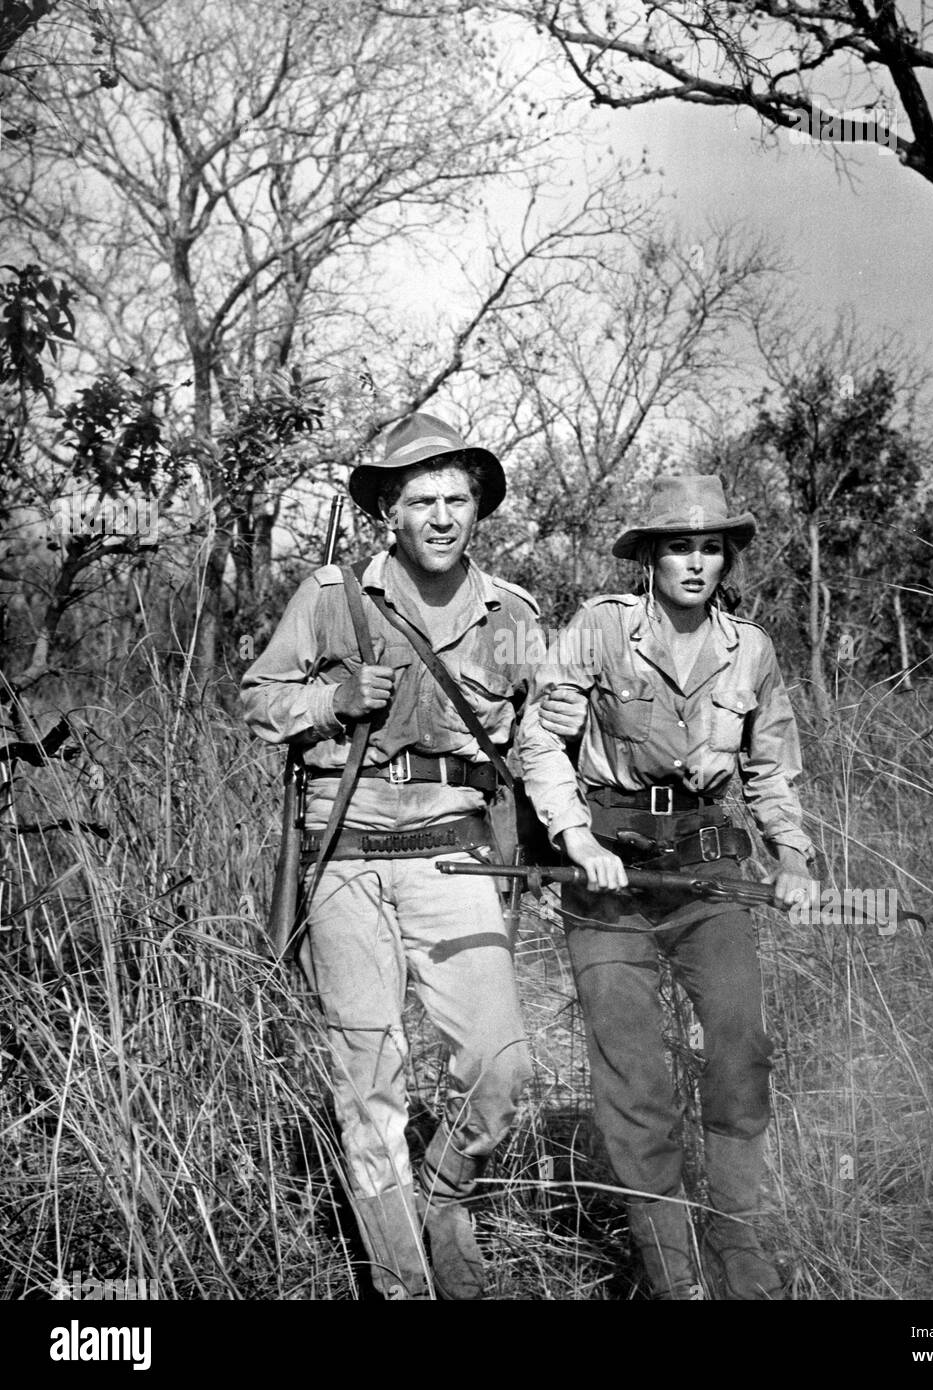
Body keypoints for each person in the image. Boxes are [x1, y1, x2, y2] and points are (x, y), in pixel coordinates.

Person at [241, 412, 583, 1300]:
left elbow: (536, 739)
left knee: (501, 1069)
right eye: (420, 499)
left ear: (478, 511)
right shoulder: (331, 599)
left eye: (456, 499)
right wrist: (336, 697)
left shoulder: (508, 615)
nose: (440, 517)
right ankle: (402, 1284)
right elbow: (258, 700)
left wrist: (569, 828)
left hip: (455, 854)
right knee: (368, 1080)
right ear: (387, 513)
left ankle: (443, 1193)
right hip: (347, 852)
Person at [516, 473, 816, 1301]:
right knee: (632, 1078)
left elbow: (769, 765)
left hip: (709, 875)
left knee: (738, 1052)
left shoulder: (747, 647)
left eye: (710, 546)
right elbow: (539, 741)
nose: (695, 561)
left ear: (726, 558)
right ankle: (671, 1269)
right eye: (677, 545)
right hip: (607, 878)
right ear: (647, 556)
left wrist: (791, 856)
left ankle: (737, 1232)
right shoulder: (601, 629)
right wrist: (573, 837)